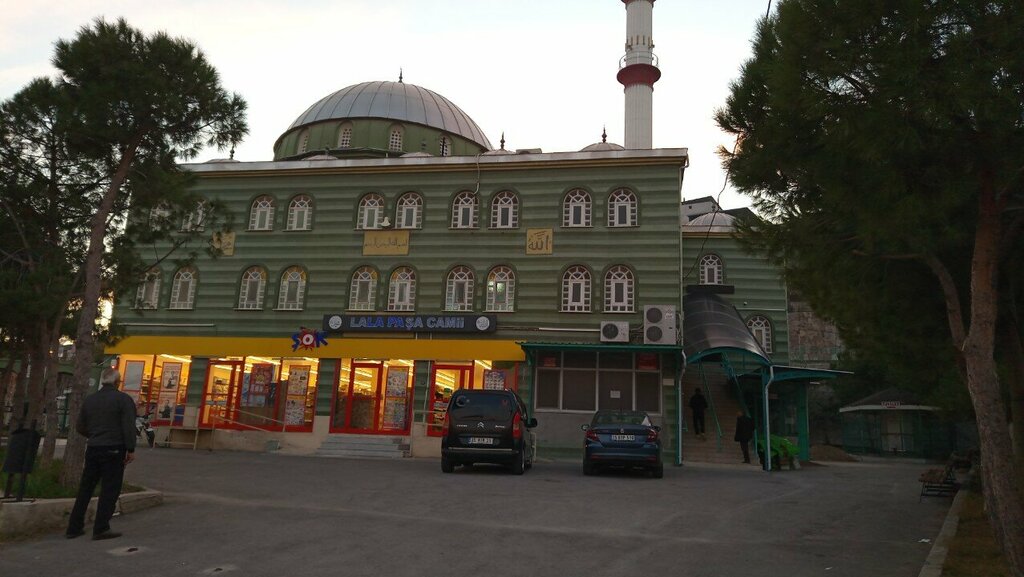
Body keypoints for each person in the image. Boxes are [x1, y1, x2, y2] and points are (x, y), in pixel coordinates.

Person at [66, 368, 137, 540]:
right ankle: (101, 527)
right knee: (109, 489)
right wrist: (131, 448)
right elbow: (128, 426)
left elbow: (80, 426)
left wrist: (94, 435)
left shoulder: (90, 400)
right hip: (114, 448)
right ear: (117, 382)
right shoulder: (123, 400)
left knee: (86, 488)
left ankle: (74, 527)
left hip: (94, 447)